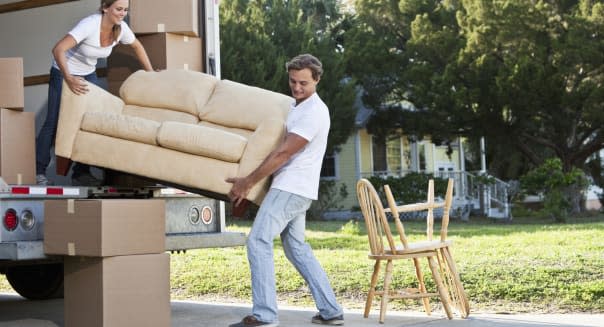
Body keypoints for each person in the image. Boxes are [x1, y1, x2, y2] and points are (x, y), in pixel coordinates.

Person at [226, 54, 344, 327]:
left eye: (303, 82)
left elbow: (283, 153)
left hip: (291, 187)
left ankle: (265, 315)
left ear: (317, 80)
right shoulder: (297, 106)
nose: (297, 87)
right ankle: (331, 310)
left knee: (258, 240)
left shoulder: (313, 112)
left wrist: (248, 181)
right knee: (296, 247)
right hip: (296, 188)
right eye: (293, 81)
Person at [36, 0, 154, 186]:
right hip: (63, 71)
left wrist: (151, 73)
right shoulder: (89, 24)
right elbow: (58, 49)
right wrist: (68, 78)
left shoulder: (121, 29)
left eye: (125, 10)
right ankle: (39, 171)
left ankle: (80, 172)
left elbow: (137, 46)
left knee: (90, 121)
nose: (122, 13)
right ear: (105, 8)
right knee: (54, 120)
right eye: (118, 9)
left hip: (87, 73)